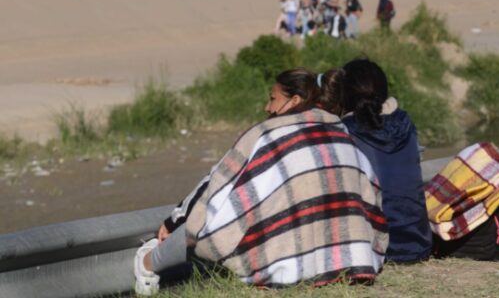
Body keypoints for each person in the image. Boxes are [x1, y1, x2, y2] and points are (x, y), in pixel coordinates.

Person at [133, 68, 388, 294]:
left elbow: (215, 185)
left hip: (286, 266)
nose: (267, 107)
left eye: (273, 98)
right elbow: (371, 193)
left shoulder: (266, 134)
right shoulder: (339, 131)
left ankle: (145, 264)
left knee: (205, 226)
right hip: (351, 258)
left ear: (294, 100)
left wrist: (174, 219)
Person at [322, 59, 433, 263]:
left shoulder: (343, 132)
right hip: (417, 243)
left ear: (343, 95)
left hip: (376, 251)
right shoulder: (405, 122)